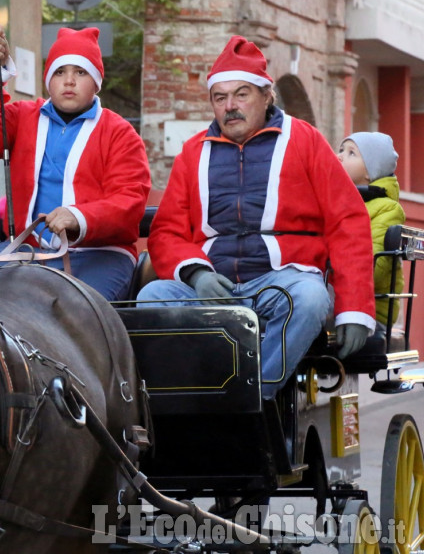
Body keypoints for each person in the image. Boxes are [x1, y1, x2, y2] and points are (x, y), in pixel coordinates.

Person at [137, 35, 376, 398]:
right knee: (153, 297)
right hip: (212, 286)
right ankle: (195, 395)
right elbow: (166, 231)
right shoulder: (193, 152)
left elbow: (348, 222)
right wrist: (197, 274)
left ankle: (253, 396)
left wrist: (355, 309)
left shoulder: (305, 140)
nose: (230, 106)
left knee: (309, 299)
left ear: (266, 96)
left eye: (242, 94)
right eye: (220, 97)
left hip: (281, 284)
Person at [0, 26, 151, 300]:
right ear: (49, 80)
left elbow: (129, 201)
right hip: (26, 250)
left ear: (96, 81)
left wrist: (79, 217)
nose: (69, 81)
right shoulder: (22, 117)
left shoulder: (120, 133)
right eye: (60, 72)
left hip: (99, 255)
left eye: (80, 72)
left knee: (83, 315)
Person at [338, 132, 405, 327]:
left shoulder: (388, 208)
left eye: (351, 153)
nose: (340, 155)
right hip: (336, 294)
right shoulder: (336, 201)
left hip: (371, 307)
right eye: (341, 149)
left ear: (370, 171)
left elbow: (374, 268)